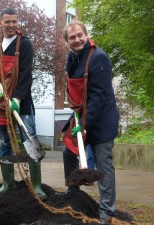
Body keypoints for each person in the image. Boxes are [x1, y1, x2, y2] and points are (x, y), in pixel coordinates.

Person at [61, 20, 119, 224]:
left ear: (86, 35)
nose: (76, 40)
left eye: (79, 35)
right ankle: (73, 192)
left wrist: (84, 127)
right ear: (67, 41)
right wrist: (77, 118)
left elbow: (98, 97)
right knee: (68, 150)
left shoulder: (99, 58)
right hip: (81, 113)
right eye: (72, 37)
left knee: (103, 166)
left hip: (101, 118)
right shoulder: (72, 57)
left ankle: (107, 212)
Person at [0, 7, 47, 200]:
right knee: (4, 143)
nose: (11, 25)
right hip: (0, 103)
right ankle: (8, 183)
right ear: (0, 23)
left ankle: (37, 185)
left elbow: (25, 74)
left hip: (21, 103)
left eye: (14, 21)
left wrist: (16, 99)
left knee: (30, 139)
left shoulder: (24, 44)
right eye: (7, 21)